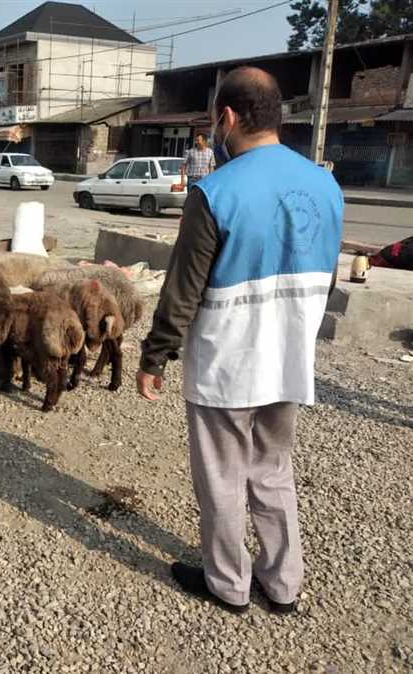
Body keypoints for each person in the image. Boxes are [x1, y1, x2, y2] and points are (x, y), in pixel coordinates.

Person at [136, 67, 343, 614]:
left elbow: (183, 289)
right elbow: (328, 280)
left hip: (227, 364)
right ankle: (283, 584)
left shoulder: (215, 191)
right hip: (290, 361)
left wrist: (155, 354)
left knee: (223, 478)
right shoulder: (326, 184)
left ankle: (227, 583)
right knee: (273, 472)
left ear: (226, 118)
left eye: (214, 120)